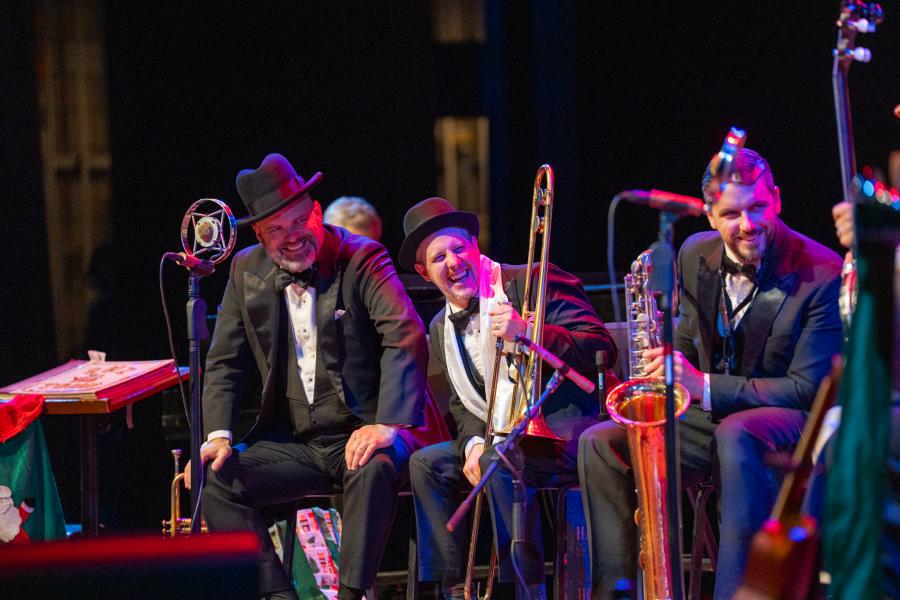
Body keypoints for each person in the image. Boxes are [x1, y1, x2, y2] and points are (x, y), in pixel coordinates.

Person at [578, 147, 843, 599]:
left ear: (776, 199)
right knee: (600, 443)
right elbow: (688, 337)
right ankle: (617, 592)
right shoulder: (693, 252)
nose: (747, 224)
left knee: (736, 434)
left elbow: (806, 389)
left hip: (786, 418)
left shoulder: (820, 272)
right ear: (708, 216)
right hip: (710, 413)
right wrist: (667, 369)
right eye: (731, 213)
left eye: (758, 207)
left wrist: (703, 387)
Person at [191, 154, 432, 600]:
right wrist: (219, 434)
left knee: (373, 467)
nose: (293, 237)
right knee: (215, 480)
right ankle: (277, 595)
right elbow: (225, 360)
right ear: (260, 236)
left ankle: (350, 593)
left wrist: (387, 424)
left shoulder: (361, 257)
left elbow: (405, 333)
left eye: (300, 221)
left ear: (317, 212)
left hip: (362, 431)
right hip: (297, 443)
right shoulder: (246, 270)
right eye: (277, 230)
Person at [399, 197, 618, 599]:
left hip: (563, 431)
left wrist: (531, 334)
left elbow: (601, 348)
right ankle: (451, 588)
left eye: (458, 249)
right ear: (423, 273)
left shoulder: (532, 280)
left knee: (498, 458)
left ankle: (523, 589)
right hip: (499, 443)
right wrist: (472, 443)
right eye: (438, 258)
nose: (452, 263)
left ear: (475, 245)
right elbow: (462, 406)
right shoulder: (438, 326)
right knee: (425, 463)